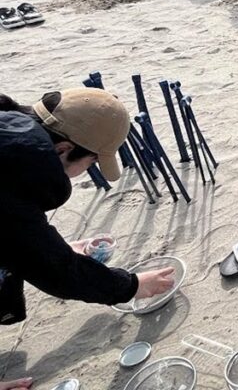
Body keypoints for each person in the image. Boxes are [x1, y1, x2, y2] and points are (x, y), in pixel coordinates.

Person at [0, 89, 176, 339]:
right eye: (92, 162)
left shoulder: (11, 146)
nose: (88, 169)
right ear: (63, 149)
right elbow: (57, 272)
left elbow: (17, 235)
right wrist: (132, 286)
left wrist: (51, 246)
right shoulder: (13, 174)